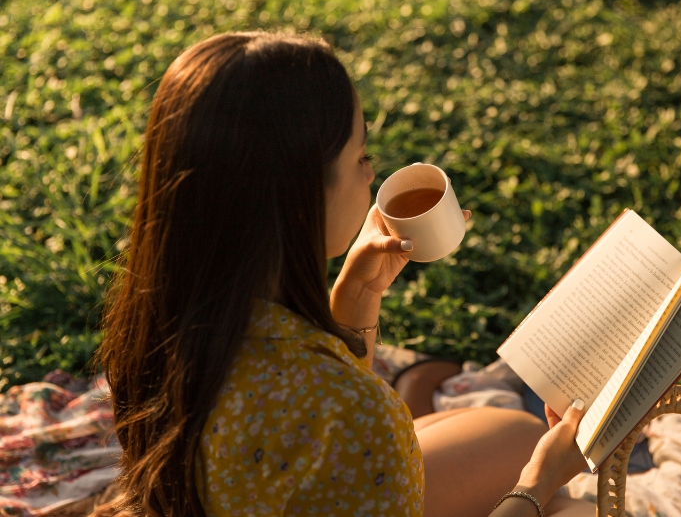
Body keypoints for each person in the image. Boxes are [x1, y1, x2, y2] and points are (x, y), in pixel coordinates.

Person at [98, 31, 595, 517]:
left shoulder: (158, 325)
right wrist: (539, 483)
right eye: (360, 156)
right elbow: (332, 416)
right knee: (568, 507)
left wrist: (356, 296)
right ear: (303, 195)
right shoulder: (354, 414)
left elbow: (309, 429)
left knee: (512, 436)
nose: (370, 174)